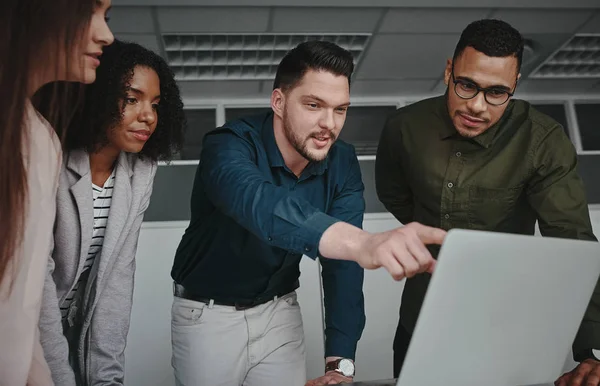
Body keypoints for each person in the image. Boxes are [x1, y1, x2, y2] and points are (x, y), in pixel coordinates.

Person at [169, 40, 446, 386]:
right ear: (279, 102)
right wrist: (363, 243)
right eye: (314, 105)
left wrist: (340, 364)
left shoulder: (342, 161)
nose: (328, 124)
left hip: (280, 312)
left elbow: (343, 266)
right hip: (207, 315)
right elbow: (261, 203)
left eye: (340, 109)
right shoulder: (227, 145)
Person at [375, 18, 600, 386]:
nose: (478, 106)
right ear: (449, 71)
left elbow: (572, 238)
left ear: (515, 86)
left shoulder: (543, 141)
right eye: (467, 85)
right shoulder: (403, 128)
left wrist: (591, 350)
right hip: (421, 316)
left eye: (497, 92)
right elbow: (394, 194)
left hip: (505, 323)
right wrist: (438, 238)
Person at [38, 39, 185, 385]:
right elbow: (36, 283)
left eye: (155, 104)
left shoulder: (140, 170)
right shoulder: (49, 158)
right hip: (20, 326)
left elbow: (115, 282)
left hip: (68, 326)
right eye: (131, 99)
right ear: (98, 97)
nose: (148, 116)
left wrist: (108, 379)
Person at [0, 0, 113, 384]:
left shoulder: (40, 138)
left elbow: (20, 309)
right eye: (89, 13)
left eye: (106, 16)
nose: (106, 34)